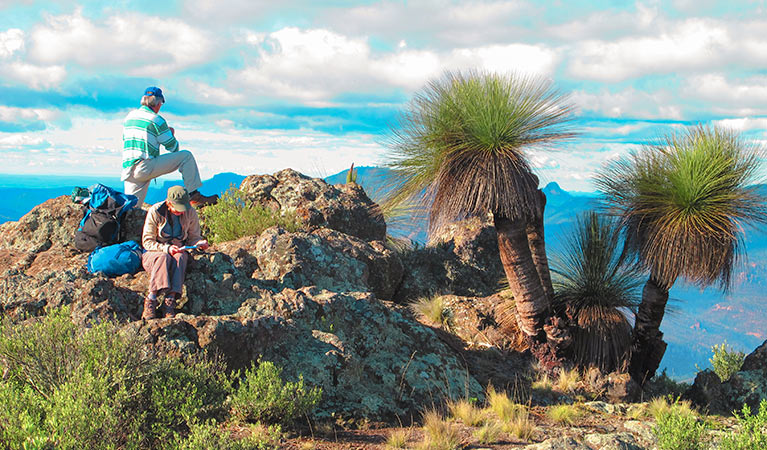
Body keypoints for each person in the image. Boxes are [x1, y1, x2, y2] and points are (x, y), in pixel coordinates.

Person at [121, 86, 218, 208]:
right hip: (145, 166)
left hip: (128, 169)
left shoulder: (129, 117)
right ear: (157, 102)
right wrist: (171, 133)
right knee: (186, 156)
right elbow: (172, 147)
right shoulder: (156, 120)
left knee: (130, 208)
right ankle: (194, 196)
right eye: (161, 103)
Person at [141, 186, 209, 319]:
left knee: (181, 257)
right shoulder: (155, 211)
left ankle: (170, 301)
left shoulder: (190, 213)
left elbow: (193, 237)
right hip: (154, 254)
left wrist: (200, 244)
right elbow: (147, 242)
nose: (180, 212)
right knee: (163, 257)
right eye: (177, 208)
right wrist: (166, 248)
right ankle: (151, 299)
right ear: (168, 203)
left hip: (178, 251)